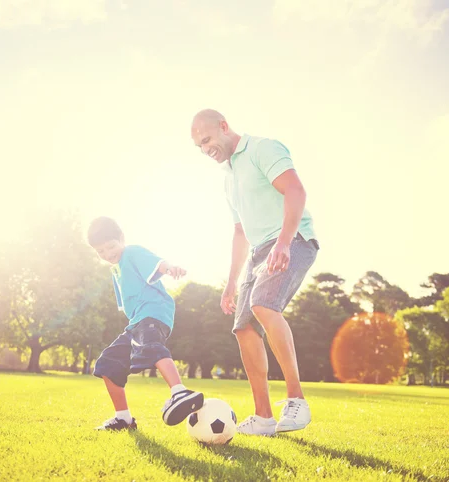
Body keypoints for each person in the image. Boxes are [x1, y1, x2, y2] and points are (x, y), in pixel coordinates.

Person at [190, 109, 320, 436]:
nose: (206, 149)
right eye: (199, 147)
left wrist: (284, 243)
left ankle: (297, 400)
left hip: (293, 240)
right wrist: (230, 283)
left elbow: (295, 191)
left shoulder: (263, 148)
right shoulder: (228, 178)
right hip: (259, 250)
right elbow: (239, 232)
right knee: (244, 327)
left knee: (263, 305)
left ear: (223, 126)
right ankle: (263, 417)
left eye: (206, 140)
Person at [88, 216, 204, 430]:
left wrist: (169, 268)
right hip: (136, 322)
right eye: (100, 251)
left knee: (150, 346)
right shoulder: (114, 270)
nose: (107, 254)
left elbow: (156, 263)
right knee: (107, 363)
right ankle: (123, 418)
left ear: (121, 238)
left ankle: (180, 392)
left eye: (111, 246)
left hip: (154, 312)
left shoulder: (132, 252)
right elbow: (127, 303)